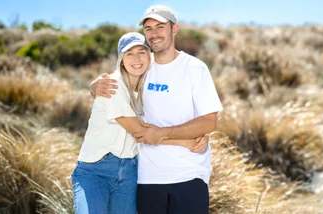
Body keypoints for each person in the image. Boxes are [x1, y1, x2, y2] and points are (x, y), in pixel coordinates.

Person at [90, 5, 223, 214]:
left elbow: (209, 122)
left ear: (174, 29)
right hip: (146, 178)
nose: (154, 34)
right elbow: (115, 85)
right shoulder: (141, 66)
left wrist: (164, 133)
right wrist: (95, 86)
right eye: (148, 29)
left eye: (160, 27)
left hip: (189, 175)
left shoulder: (195, 68)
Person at [71, 32, 208, 214]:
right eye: (129, 53)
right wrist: (186, 141)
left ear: (149, 57)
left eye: (141, 52)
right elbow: (139, 131)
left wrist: (201, 134)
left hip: (130, 174)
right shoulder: (112, 85)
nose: (136, 59)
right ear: (121, 59)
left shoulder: (149, 89)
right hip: (96, 172)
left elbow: (173, 115)